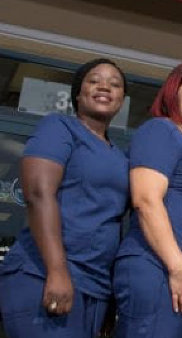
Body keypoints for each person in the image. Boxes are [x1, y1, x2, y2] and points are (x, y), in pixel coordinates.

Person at [0, 58, 129, 338]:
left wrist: (108, 300)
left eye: (114, 84)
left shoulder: (120, 156)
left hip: (95, 288)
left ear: (121, 99)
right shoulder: (59, 128)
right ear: (78, 94)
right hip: (44, 274)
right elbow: (38, 194)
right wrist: (57, 271)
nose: (104, 86)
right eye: (94, 81)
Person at [113, 59, 182, 338]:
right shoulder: (160, 131)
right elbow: (146, 200)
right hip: (158, 270)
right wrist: (178, 267)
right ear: (174, 90)